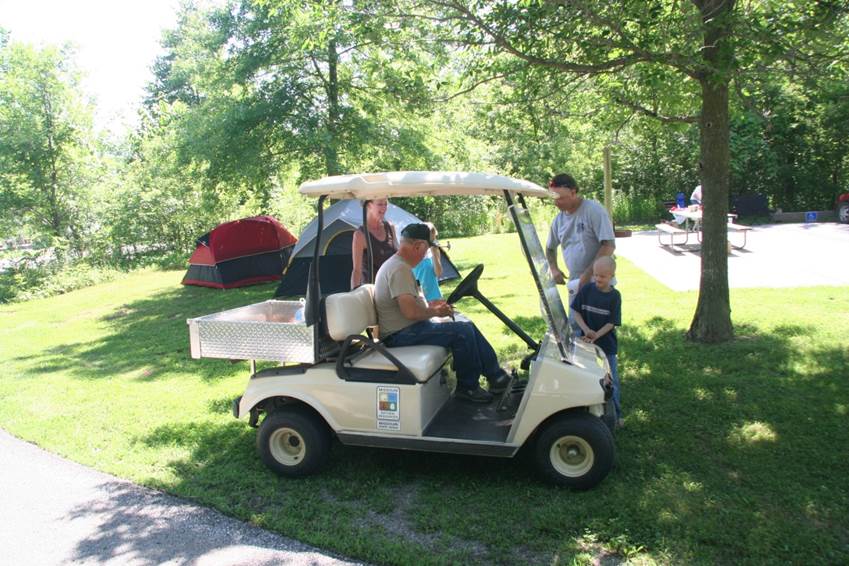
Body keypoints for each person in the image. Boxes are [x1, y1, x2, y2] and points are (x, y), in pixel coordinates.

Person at [374, 223, 511, 403]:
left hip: (406, 329)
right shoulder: (399, 269)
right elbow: (410, 312)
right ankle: (468, 388)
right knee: (462, 332)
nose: (425, 255)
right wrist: (435, 312)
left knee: (466, 325)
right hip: (399, 335)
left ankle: (497, 377)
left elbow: (412, 305)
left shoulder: (400, 266)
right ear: (418, 246)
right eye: (426, 250)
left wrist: (433, 306)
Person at [545, 173, 616, 308]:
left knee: (599, 324)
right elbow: (550, 248)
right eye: (553, 198)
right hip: (575, 281)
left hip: (600, 281)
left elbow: (608, 246)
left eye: (560, 198)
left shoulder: (593, 211)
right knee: (577, 323)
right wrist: (554, 268)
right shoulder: (558, 220)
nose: (556, 203)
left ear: (573, 192)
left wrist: (588, 275)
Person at [570, 256, 623, 427]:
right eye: (596, 275)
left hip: (606, 346)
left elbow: (611, 322)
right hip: (585, 344)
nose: (598, 279)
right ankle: (588, 412)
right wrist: (586, 330)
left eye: (602, 276)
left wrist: (596, 335)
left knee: (610, 379)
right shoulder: (586, 290)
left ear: (611, 276)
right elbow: (575, 312)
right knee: (586, 377)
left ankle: (616, 415)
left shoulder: (615, 296)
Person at [351, 198, 398, 289]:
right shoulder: (360, 235)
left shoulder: (390, 228)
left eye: (386, 204)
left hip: (393, 287)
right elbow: (357, 271)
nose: (384, 208)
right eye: (380, 204)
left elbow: (398, 256)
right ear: (368, 205)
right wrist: (354, 294)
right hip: (373, 290)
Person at [411, 222, 444, 302]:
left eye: (433, 238)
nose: (433, 241)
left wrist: (434, 254)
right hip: (418, 296)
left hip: (435, 296)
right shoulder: (412, 251)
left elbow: (438, 273)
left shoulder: (434, 251)